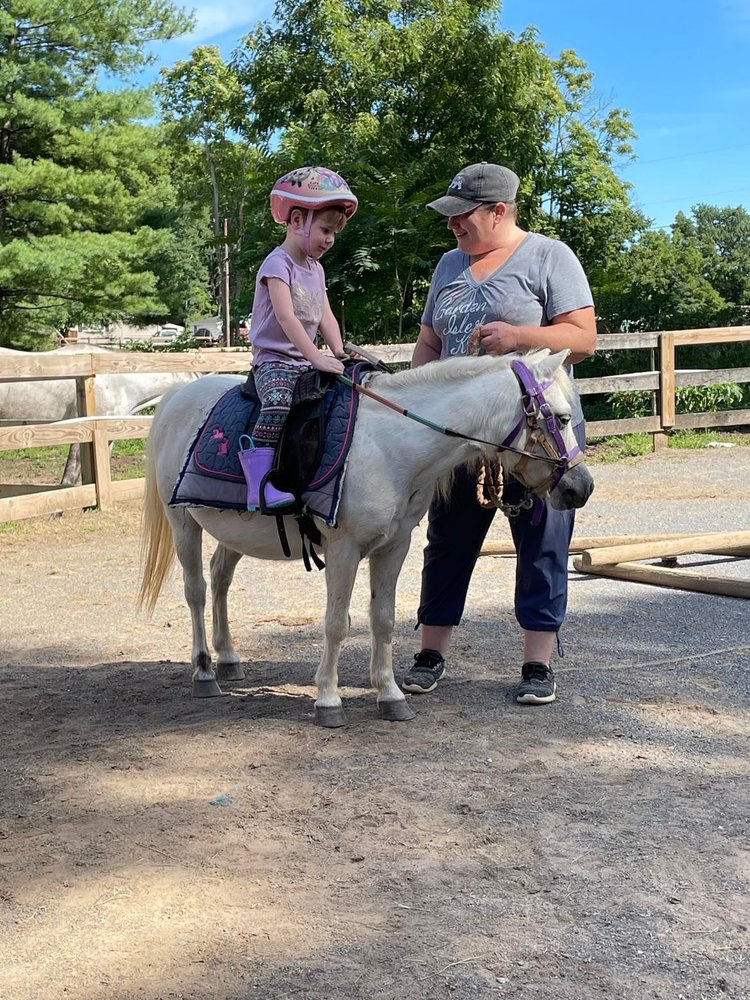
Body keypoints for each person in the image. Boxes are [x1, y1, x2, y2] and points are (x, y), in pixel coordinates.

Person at [401, 161, 597, 704]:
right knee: (448, 538)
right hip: (464, 435)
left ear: (499, 211)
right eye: (450, 218)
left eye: (463, 217)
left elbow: (583, 339)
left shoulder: (549, 257)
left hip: (535, 433)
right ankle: (430, 652)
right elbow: (430, 343)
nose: (453, 227)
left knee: (542, 541)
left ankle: (538, 662)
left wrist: (519, 336)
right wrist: (414, 396)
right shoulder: (448, 265)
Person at [243, 165, 358, 510]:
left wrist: (339, 350)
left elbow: (324, 314)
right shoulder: (277, 264)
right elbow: (285, 316)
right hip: (275, 361)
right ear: (296, 221)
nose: (329, 240)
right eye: (325, 229)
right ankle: (258, 486)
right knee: (277, 400)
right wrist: (315, 356)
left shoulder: (316, 269)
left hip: (305, 359)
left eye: (334, 233)